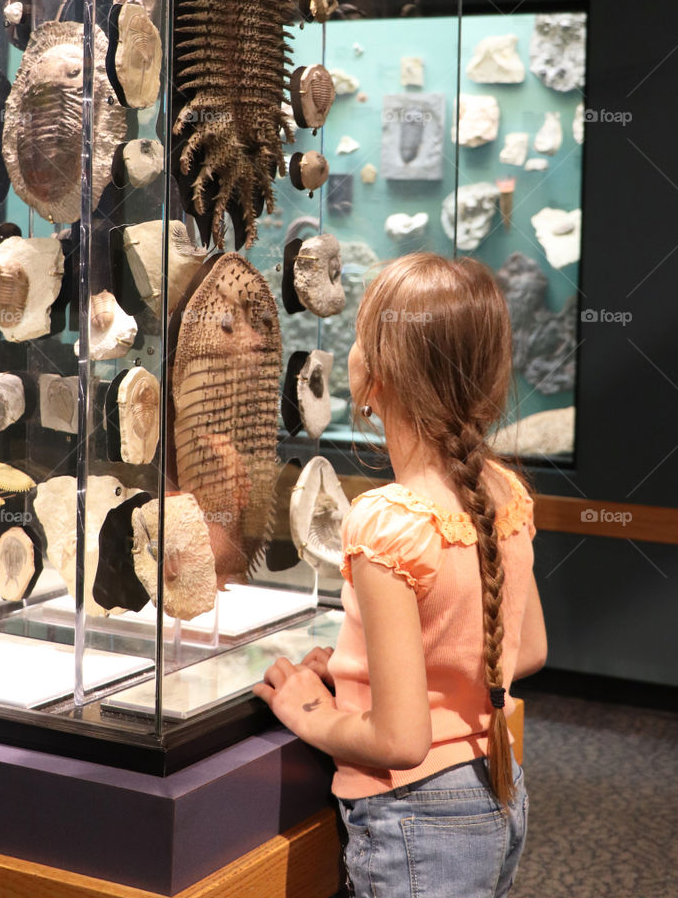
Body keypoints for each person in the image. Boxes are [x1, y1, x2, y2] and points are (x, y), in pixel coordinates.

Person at [254, 252, 548, 898]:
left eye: (360, 334)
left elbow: (401, 738)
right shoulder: (506, 494)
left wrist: (310, 712)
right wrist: (374, 670)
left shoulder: (386, 522)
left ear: (375, 378)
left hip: (416, 819)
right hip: (495, 790)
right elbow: (524, 648)